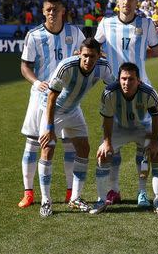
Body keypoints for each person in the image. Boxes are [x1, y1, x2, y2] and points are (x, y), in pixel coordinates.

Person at [95, 0, 158, 206]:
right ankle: (114, 190)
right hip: (116, 93)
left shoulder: (146, 24)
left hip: (141, 92)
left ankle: (142, 192)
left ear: (136, 2)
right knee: (113, 145)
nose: (126, 2)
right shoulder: (106, 23)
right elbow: (95, 48)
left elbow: (157, 49)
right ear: (118, 2)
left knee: (144, 146)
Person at [18, 0, 85, 209]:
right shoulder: (34, 35)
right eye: (48, 10)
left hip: (69, 98)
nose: (52, 13)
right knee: (34, 144)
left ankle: (69, 192)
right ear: (43, 11)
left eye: (55, 9)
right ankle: (29, 192)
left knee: (69, 145)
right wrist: (36, 82)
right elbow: (25, 66)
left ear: (62, 11)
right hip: (40, 98)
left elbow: (87, 55)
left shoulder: (75, 33)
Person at [37, 37, 115, 217]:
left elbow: (113, 86)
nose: (88, 60)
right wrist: (49, 127)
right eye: (85, 56)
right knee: (47, 148)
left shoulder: (104, 67)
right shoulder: (66, 66)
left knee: (84, 148)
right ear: (79, 53)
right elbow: (51, 97)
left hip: (73, 110)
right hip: (53, 110)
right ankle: (46, 200)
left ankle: (75, 198)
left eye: (92, 57)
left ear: (99, 56)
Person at [91, 62, 158, 216]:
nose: (127, 83)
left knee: (157, 154)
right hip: (119, 127)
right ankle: (101, 199)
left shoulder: (149, 93)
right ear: (118, 79)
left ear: (138, 80)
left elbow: (156, 117)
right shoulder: (109, 92)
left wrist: (154, 141)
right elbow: (107, 119)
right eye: (123, 79)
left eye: (131, 79)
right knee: (103, 155)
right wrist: (106, 142)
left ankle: (156, 199)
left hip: (143, 127)